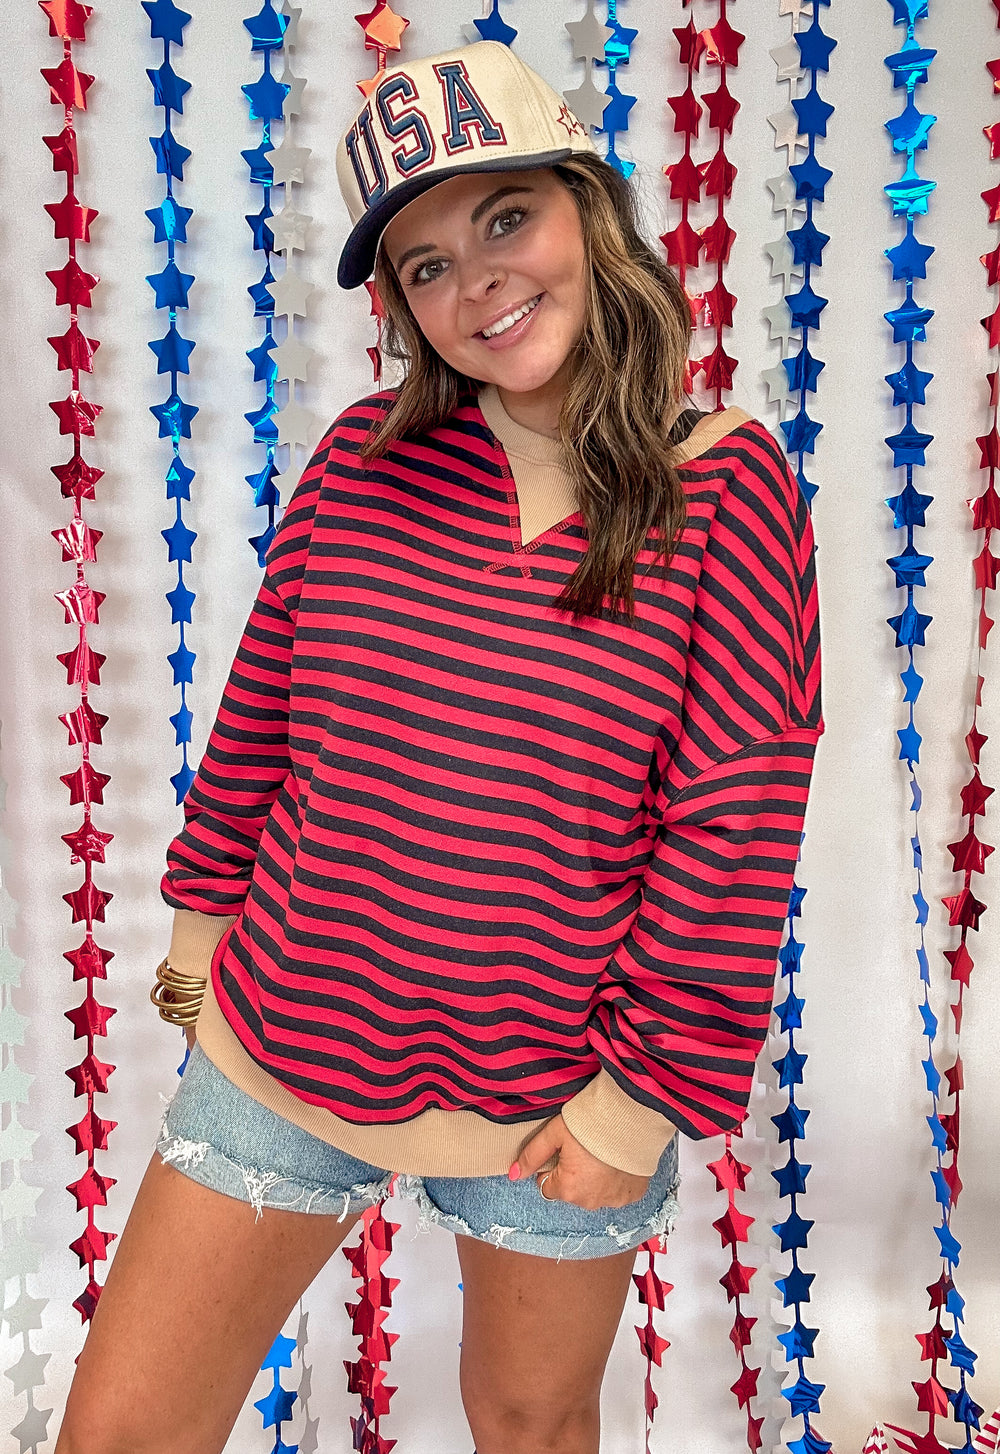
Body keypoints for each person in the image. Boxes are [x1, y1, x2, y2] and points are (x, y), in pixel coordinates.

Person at [54, 38, 824, 1454]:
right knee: (121, 1430)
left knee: (530, 1424)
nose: (476, 282)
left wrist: (640, 1102)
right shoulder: (364, 458)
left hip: (556, 1089)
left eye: (506, 218)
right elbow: (263, 714)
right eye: (425, 264)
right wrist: (197, 934)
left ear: (589, 210)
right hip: (286, 1032)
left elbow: (735, 820)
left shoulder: (725, 484)